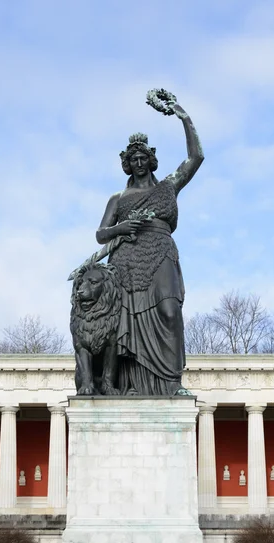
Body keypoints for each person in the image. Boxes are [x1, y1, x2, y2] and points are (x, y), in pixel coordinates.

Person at [96, 98, 204, 395]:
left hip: (161, 253)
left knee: (169, 311)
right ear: (127, 164)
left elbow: (196, 157)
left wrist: (183, 115)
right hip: (126, 260)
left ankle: (172, 383)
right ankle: (131, 385)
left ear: (151, 159)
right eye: (133, 160)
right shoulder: (118, 198)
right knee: (125, 323)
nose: (139, 164)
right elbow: (100, 234)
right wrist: (120, 227)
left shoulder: (168, 185)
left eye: (143, 158)